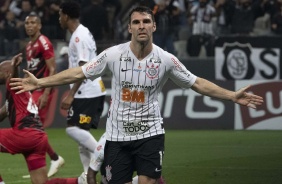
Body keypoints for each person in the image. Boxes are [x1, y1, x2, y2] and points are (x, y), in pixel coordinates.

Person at [10, 6, 264, 184]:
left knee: (147, 181)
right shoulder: (113, 55)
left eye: (146, 22)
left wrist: (232, 96)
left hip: (150, 135)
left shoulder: (166, 60)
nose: (141, 26)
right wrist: (40, 82)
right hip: (118, 138)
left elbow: (197, 83)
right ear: (129, 28)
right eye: (136, 22)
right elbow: (77, 73)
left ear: (153, 25)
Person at [0, 54, 87, 184]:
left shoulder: (15, 84)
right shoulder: (16, 96)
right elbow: (2, 113)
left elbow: (14, 77)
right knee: (41, 183)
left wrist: (15, 67)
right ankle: (80, 181)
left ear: (7, 73)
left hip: (26, 134)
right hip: (39, 138)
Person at [58, 0, 106, 178]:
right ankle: (87, 175)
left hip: (87, 92)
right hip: (89, 91)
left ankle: (105, 154)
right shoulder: (80, 33)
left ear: (66, 16)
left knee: (72, 130)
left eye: (60, 15)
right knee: (81, 136)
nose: (59, 19)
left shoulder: (79, 37)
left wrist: (70, 94)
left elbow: (84, 68)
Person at [23, 12, 64, 178]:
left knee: (33, 129)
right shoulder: (28, 46)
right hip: (33, 91)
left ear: (39, 25)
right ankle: (48, 162)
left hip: (42, 90)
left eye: (33, 22)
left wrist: (46, 93)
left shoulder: (43, 42)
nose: (30, 26)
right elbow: (30, 72)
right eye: (27, 23)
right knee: (33, 129)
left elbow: (52, 69)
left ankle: (53, 159)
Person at [87, 132, 166, 184]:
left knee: (151, 176)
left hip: (134, 161)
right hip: (111, 173)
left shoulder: (142, 139)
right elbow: (91, 174)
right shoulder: (101, 148)